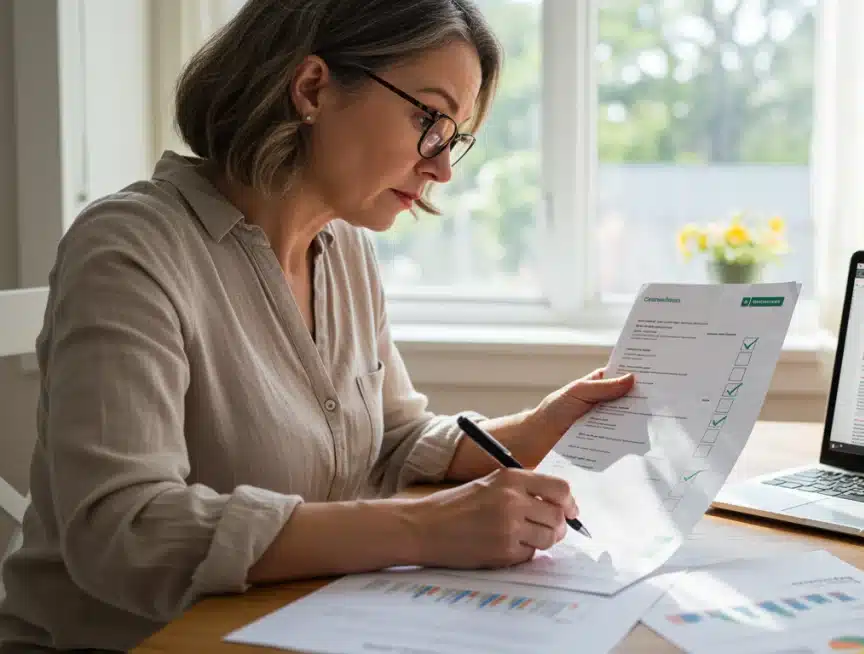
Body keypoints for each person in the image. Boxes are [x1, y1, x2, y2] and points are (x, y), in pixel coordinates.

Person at [0, 2, 637, 651]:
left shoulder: (345, 248)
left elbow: (393, 437)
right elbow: (124, 532)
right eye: (429, 120)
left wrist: (539, 426)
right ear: (311, 88)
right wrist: (421, 527)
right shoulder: (130, 250)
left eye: (454, 136)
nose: (443, 167)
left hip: (288, 625)